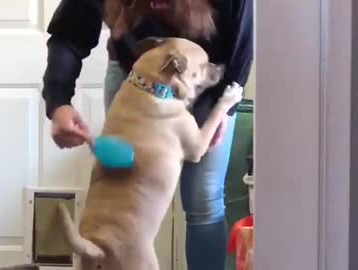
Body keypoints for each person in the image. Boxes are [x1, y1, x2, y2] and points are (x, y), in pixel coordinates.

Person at [42, 0, 253, 269]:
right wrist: (58, 102)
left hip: (208, 80)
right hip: (138, 78)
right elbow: (70, 32)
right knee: (116, 203)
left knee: (203, 200)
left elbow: (243, 39)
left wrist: (225, 106)